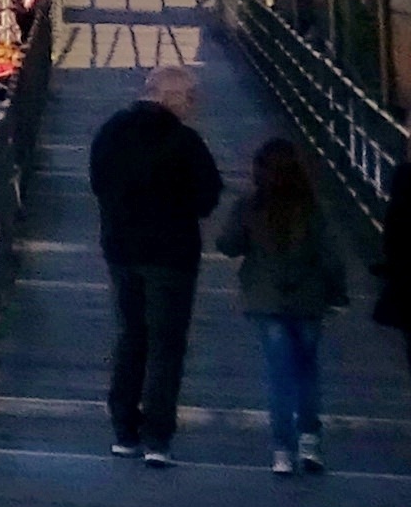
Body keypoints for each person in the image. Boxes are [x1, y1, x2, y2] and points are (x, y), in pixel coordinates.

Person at [87, 62, 226, 463]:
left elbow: (98, 183)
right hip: (172, 256)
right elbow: (207, 197)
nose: (194, 105)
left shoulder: (111, 132)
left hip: (122, 250)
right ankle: (158, 437)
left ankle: (124, 430)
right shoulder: (184, 141)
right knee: (167, 343)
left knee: (131, 336)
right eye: (190, 97)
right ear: (171, 96)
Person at [213, 134, 356, 475]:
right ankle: (310, 442)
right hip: (308, 301)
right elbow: (330, 258)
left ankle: (282, 450)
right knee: (307, 373)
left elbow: (228, 244)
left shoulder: (250, 207)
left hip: (266, 301)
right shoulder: (311, 209)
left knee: (279, 377)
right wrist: (337, 295)